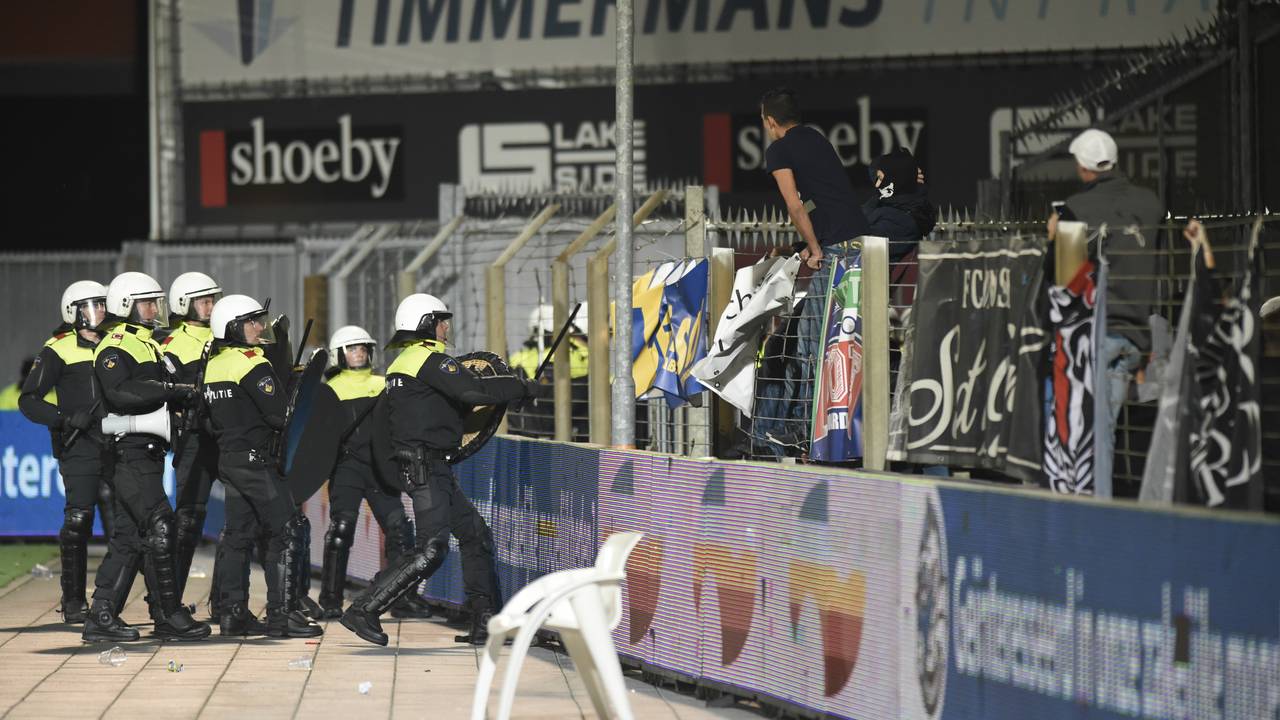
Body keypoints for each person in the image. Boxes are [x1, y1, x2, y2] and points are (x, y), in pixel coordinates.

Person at [341, 293, 534, 647]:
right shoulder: (428, 360)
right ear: (427, 324)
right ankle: (364, 609)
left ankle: (485, 623)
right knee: (432, 549)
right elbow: (472, 392)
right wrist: (520, 386)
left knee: (475, 535)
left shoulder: (403, 363)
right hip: (427, 467)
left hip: (430, 466)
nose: (447, 327)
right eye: (442, 320)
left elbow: (446, 408)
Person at [82, 271, 211, 642]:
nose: (155, 309)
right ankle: (167, 613)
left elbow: (175, 381)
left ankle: (101, 615)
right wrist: (172, 390)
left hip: (148, 453)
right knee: (161, 524)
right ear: (126, 305)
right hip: (127, 452)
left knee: (129, 538)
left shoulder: (150, 344)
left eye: (155, 301)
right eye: (147, 303)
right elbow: (121, 393)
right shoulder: (115, 345)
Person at [202, 294, 323, 638]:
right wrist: (291, 386)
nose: (259, 327)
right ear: (233, 327)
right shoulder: (251, 364)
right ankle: (282, 617)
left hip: (230, 459)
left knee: (238, 537)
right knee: (286, 531)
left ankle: (233, 614)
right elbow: (280, 415)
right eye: (251, 322)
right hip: (257, 462)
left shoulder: (215, 364)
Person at [1048, 128, 1163, 483]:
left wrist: (1054, 238)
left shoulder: (1075, 209)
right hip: (1137, 335)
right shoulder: (1151, 203)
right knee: (1112, 430)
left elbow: (1065, 280)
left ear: (1084, 168)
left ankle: (1099, 513)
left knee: (1095, 435)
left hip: (1095, 336)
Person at [315, 325, 433, 620]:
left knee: (400, 530)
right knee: (341, 530)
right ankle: (330, 599)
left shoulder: (384, 384)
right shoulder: (329, 390)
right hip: (347, 469)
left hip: (381, 468)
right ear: (338, 355)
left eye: (364, 348)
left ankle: (401, 598)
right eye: (352, 348)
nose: (359, 353)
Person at [19, 281, 117, 624]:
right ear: (72, 312)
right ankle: (73, 601)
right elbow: (28, 400)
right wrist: (62, 419)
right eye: (92, 306)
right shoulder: (57, 348)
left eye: (103, 305)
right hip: (80, 446)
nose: (100, 312)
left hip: (118, 445)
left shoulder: (115, 343)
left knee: (126, 527)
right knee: (79, 521)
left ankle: (112, 599)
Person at [161, 272, 225, 611]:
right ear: (183, 304)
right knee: (188, 522)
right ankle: (168, 603)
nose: (211, 306)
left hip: (226, 436)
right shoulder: (170, 345)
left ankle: (227, 602)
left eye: (213, 299)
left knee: (245, 520)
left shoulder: (226, 334)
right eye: (204, 300)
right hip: (193, 438)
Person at [762, 86, 872, 271]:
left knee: (821, 300)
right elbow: (819, 198)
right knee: (855, 300)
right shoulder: (816, 138)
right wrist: (812, 243)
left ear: (771, 121)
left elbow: (795, 205)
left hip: (836, 246)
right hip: (861, 237)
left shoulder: (778, 150)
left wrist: (815, 250)